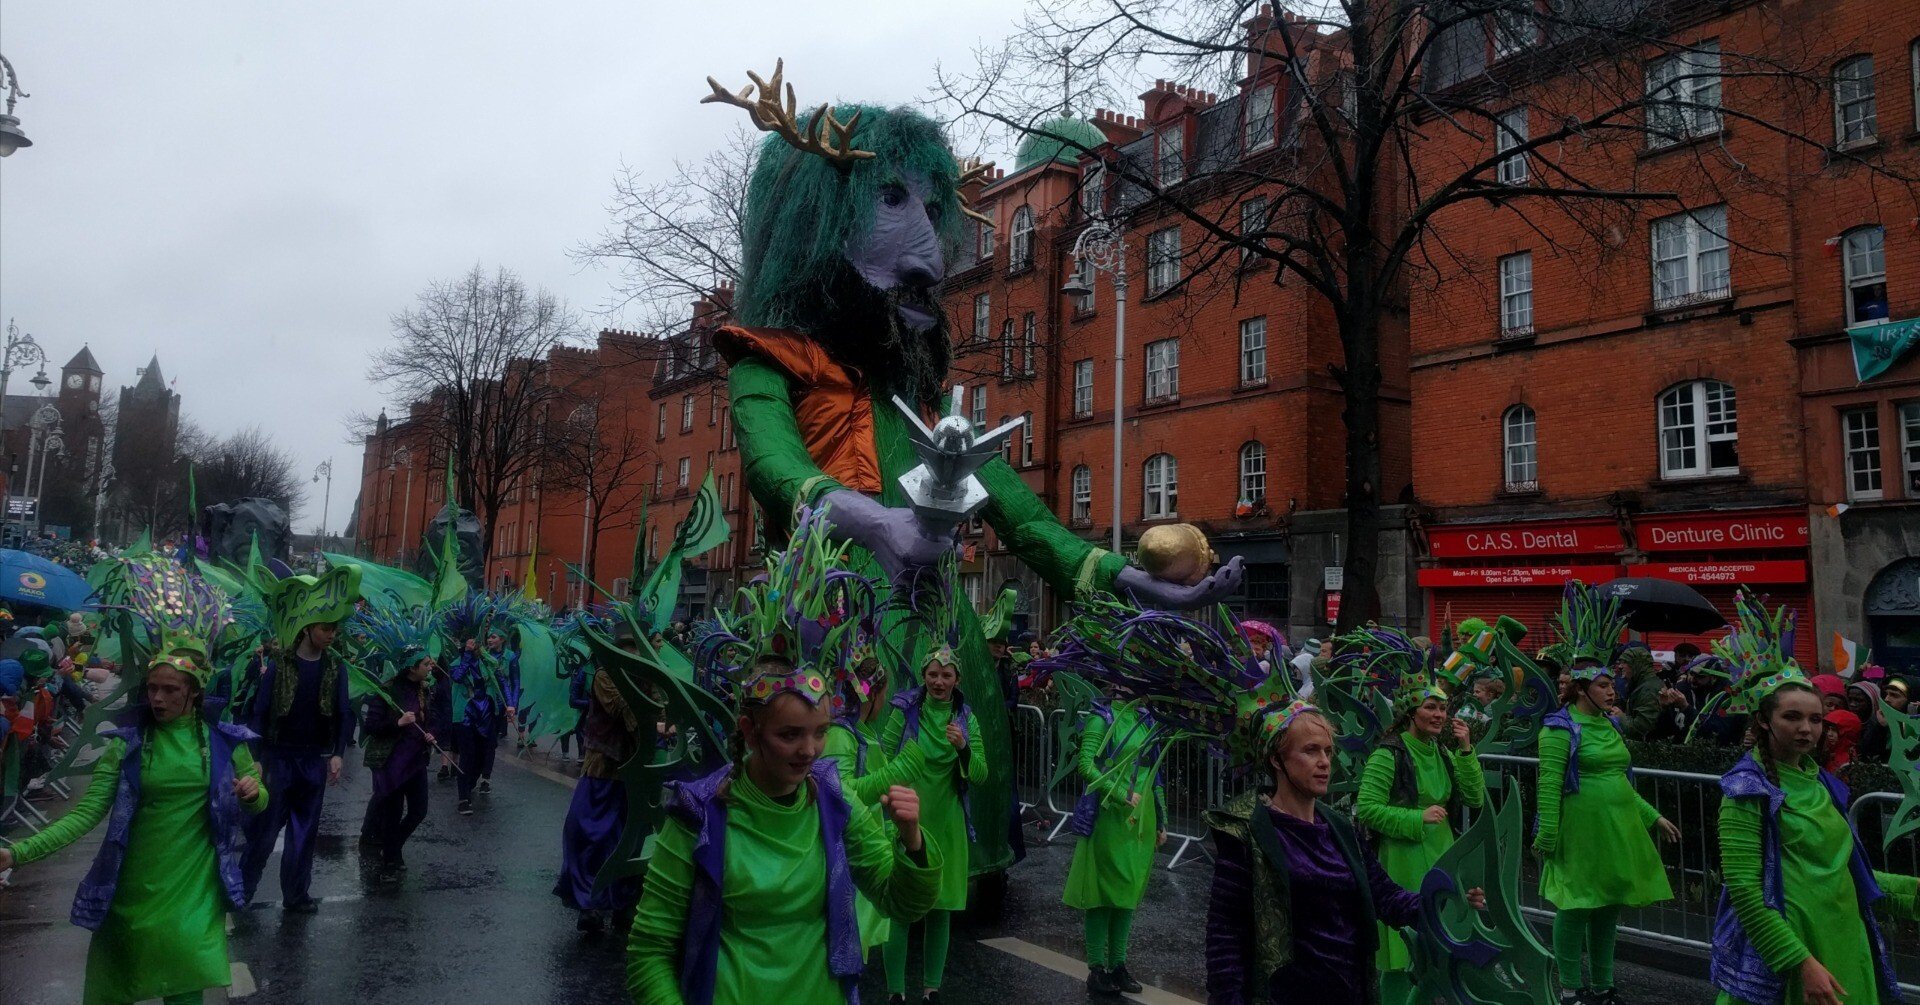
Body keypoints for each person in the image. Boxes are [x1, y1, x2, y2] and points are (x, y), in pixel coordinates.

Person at [625, 652, 945, 1004]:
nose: (809, 750)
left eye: (821, 732)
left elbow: (898, 902)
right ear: (750, 731)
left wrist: (912, 841)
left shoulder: (835, 801)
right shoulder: (698, 814)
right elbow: (649, 952)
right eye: (790, 735)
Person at [0, 642, 268, 1005]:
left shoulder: (224, 740)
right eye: (152, 688)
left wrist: (252, 793)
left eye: (170, 689)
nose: (157, 698)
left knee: (186, 979)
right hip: (132, 885)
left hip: (194, 886)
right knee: (116, 986)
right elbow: (86, 812)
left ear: (194, 691)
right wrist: (17, 853)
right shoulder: (128, 744)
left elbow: (258, 796)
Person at [1709, 596, 1920, 1005]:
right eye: (1792, 717)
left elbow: (1841, 872)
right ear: (1763, 720)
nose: (1807, 728)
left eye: (1815, 718)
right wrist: (1799, 962)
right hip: (1791, 951)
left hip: (1843, 939)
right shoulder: (1745, 790)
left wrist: (1912, 891)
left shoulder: (1821, 782)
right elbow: (1745, 892)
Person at [1207, 700, 1487, 1004]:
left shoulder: (1339, 828)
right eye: (1311, 751)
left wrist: (1452, 901)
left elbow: (1387, 897)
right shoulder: (1247, 831)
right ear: (1277, 759)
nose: (1324, 762)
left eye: (1328, 751)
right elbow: (1226, 936)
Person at [1535, 585, 1679, 1005]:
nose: (1612, 690)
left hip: (1617, 829)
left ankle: (1603, 986)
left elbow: (1621, 781)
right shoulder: (1559, 728)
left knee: (1607, 910)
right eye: (1602, 685)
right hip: (1580, 831)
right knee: (1576, 908)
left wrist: (1653, 816)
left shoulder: (1612, 724)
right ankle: (1569, 987)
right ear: (1581, 689)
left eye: (1612, 683)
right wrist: (1547, 834)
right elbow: (1549, 784)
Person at [1354, 673, 1486, 1000]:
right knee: (1402, 956)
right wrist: (1417, 817)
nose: (1439, 714)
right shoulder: (1388, 754)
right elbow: (1366, 808)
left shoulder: (1442, 752)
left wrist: (1466, 750)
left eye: (1442, 708)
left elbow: (1475, 798)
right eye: (1430, 707)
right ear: (1410, 712)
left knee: (1437, 953)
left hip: (1442, 856)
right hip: (1401, 862)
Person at [242, 567, 360, 913]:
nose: (331, 635)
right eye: (325, 628)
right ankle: (240, 891)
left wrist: (337, 753)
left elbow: (343, 712)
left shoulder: (335, 668)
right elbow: (260, 711)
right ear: (308, 627)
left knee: (304, 831)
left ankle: (296, 895)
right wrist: (256, 757)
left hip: (312, 760)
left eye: (335, 629)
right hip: (278, 758)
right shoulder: (280, 665)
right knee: (265, 831)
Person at [879, 647, 988, 1005]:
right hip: (908, 819)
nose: (939, 682)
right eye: (933, 674)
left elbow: (980, 774)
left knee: (941, 908)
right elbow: (884, 755)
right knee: (900, 907)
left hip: (948, 823)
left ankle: (931, 990)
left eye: (946, 675)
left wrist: (964, 748)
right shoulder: (905, 710)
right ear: (923, 676)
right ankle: (895, 992)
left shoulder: (966, 718)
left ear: (957, 679)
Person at [823, 653, 927, 955]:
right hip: (849, 854)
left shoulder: (860, 730)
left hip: (863, 846)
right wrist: (895, 773)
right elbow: (839, 792)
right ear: (874, 695)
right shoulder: (841, 735)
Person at [1064, 697, 1164, 996]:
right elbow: (1086, 765)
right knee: (1102, 893)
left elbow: (1156, 774)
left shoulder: (1147, 719)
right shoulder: (1102, 717)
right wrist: (1120, 793)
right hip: (1109, 816)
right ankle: (1097, 969)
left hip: (1141, 818)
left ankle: (1118, 965)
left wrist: (1162, 820)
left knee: (1127, 892)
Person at [554, 656, 645, 935]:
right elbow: (624, 709)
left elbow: (658, 710)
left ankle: (622, 903)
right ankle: (590, 903)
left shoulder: (649, 676)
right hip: (602, 769)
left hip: (633, 773)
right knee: (587, 834)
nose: (655, 646)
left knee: (629, 841)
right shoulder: (605, 675)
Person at [360, 646, 447, 880]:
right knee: (393, 812)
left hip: (416, 762)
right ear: (412, 668)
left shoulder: (424, 689)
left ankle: (391, 846)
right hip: (393, 764)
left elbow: (433, 717)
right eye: (426, 664)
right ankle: (391, 858)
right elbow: (371, 726)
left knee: (419, 811)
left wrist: (432, 732)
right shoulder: (387, 691)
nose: (431, 667)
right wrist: (397, 723)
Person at [449, 636, 510, 814]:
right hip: (465, 717)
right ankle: (463, 798)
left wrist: (510, 704)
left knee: (483, 756)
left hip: (486, 715)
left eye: (476, 642)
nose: (475, 645)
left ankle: (469, 785)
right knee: (467, 757)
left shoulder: (488, 662)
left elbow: (503, 683)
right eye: (470, 643)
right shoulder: (456, 663)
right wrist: (467, 655)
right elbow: (458, 677)